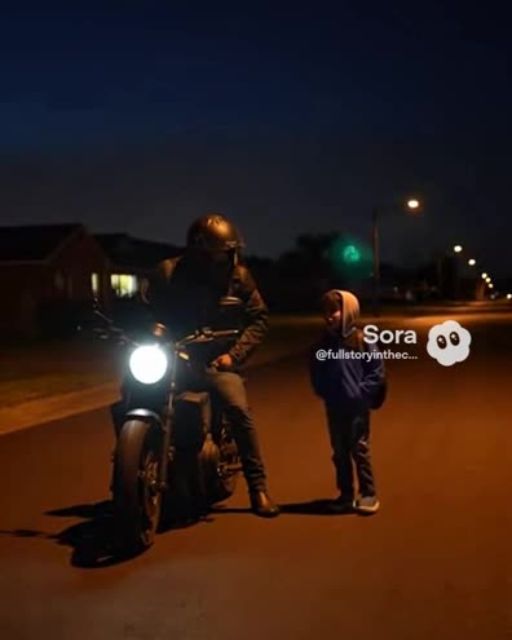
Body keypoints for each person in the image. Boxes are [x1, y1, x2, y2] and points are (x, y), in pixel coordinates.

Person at [139, 213, 279, 518]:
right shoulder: (167, 273)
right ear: (200, 253)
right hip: (174, 357)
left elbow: (259, 318)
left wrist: (234, 356)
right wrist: (147, 331)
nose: (229, 257)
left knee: (238, 410)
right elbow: (145, 310)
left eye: (230, 251)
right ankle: (135, 460)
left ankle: (258, 488)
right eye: (222, 252)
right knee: (133, 389)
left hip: (217, 361)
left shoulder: (239, 278)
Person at [309, 289, 386, 514]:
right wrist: (323, 390)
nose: (329, 316)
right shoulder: (323, 343)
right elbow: (316, 370)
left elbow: (377, 372)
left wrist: (361, 394)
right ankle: (345, 494)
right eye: (326, 312)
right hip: (334, 406)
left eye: (334, 311)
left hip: (357, 407)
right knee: (339, 451)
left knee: (359, 449)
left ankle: (368, 493)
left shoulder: (362, 340)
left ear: (349, 311)